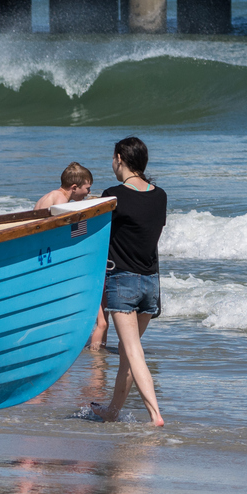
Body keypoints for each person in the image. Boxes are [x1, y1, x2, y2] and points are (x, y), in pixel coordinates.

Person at [83, 137, 167, 425]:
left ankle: (155, 415)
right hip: (150, 284)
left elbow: (89, 226)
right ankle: (112, 413)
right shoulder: (160, 195)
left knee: (132, 352)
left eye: (113, 158)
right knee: (127, 358)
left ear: (119, 158)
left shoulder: (114, 195)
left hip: (123, 282)